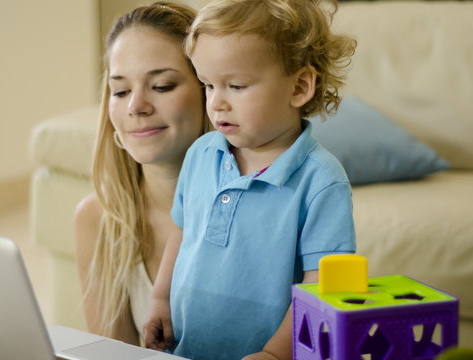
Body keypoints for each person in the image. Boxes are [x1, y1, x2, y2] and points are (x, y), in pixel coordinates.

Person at [143, 0, 357, 359]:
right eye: (208, 85)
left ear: (299, 86)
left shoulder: (321, 181)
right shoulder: (201, 153)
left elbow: (321, 287)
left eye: (236, 86)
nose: (216, 104)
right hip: (186, 348)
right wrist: (160, 298)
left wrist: (275, 353)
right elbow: (182, 231)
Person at [73, 2, 211, 346]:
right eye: (120, 91)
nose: (136, 106)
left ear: (210, 90)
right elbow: (111, 353)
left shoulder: (260, 211)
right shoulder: (98, 218)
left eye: (162, 86)